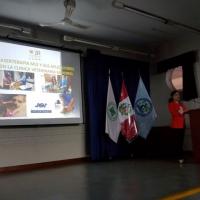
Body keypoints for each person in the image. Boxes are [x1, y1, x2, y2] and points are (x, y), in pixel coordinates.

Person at [168, 90, 188, 163]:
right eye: (176, 95)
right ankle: (179, 157)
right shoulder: (171, 104)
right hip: (176, 126)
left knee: (181, 142)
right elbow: (174, 113)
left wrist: (183, 111)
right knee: (177, 142)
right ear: (173, 97)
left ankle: (180, 156)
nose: (178, 96)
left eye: (178, 95)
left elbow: (185, 110)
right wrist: (181, 112)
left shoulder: (181, 104)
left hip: (182, 125)